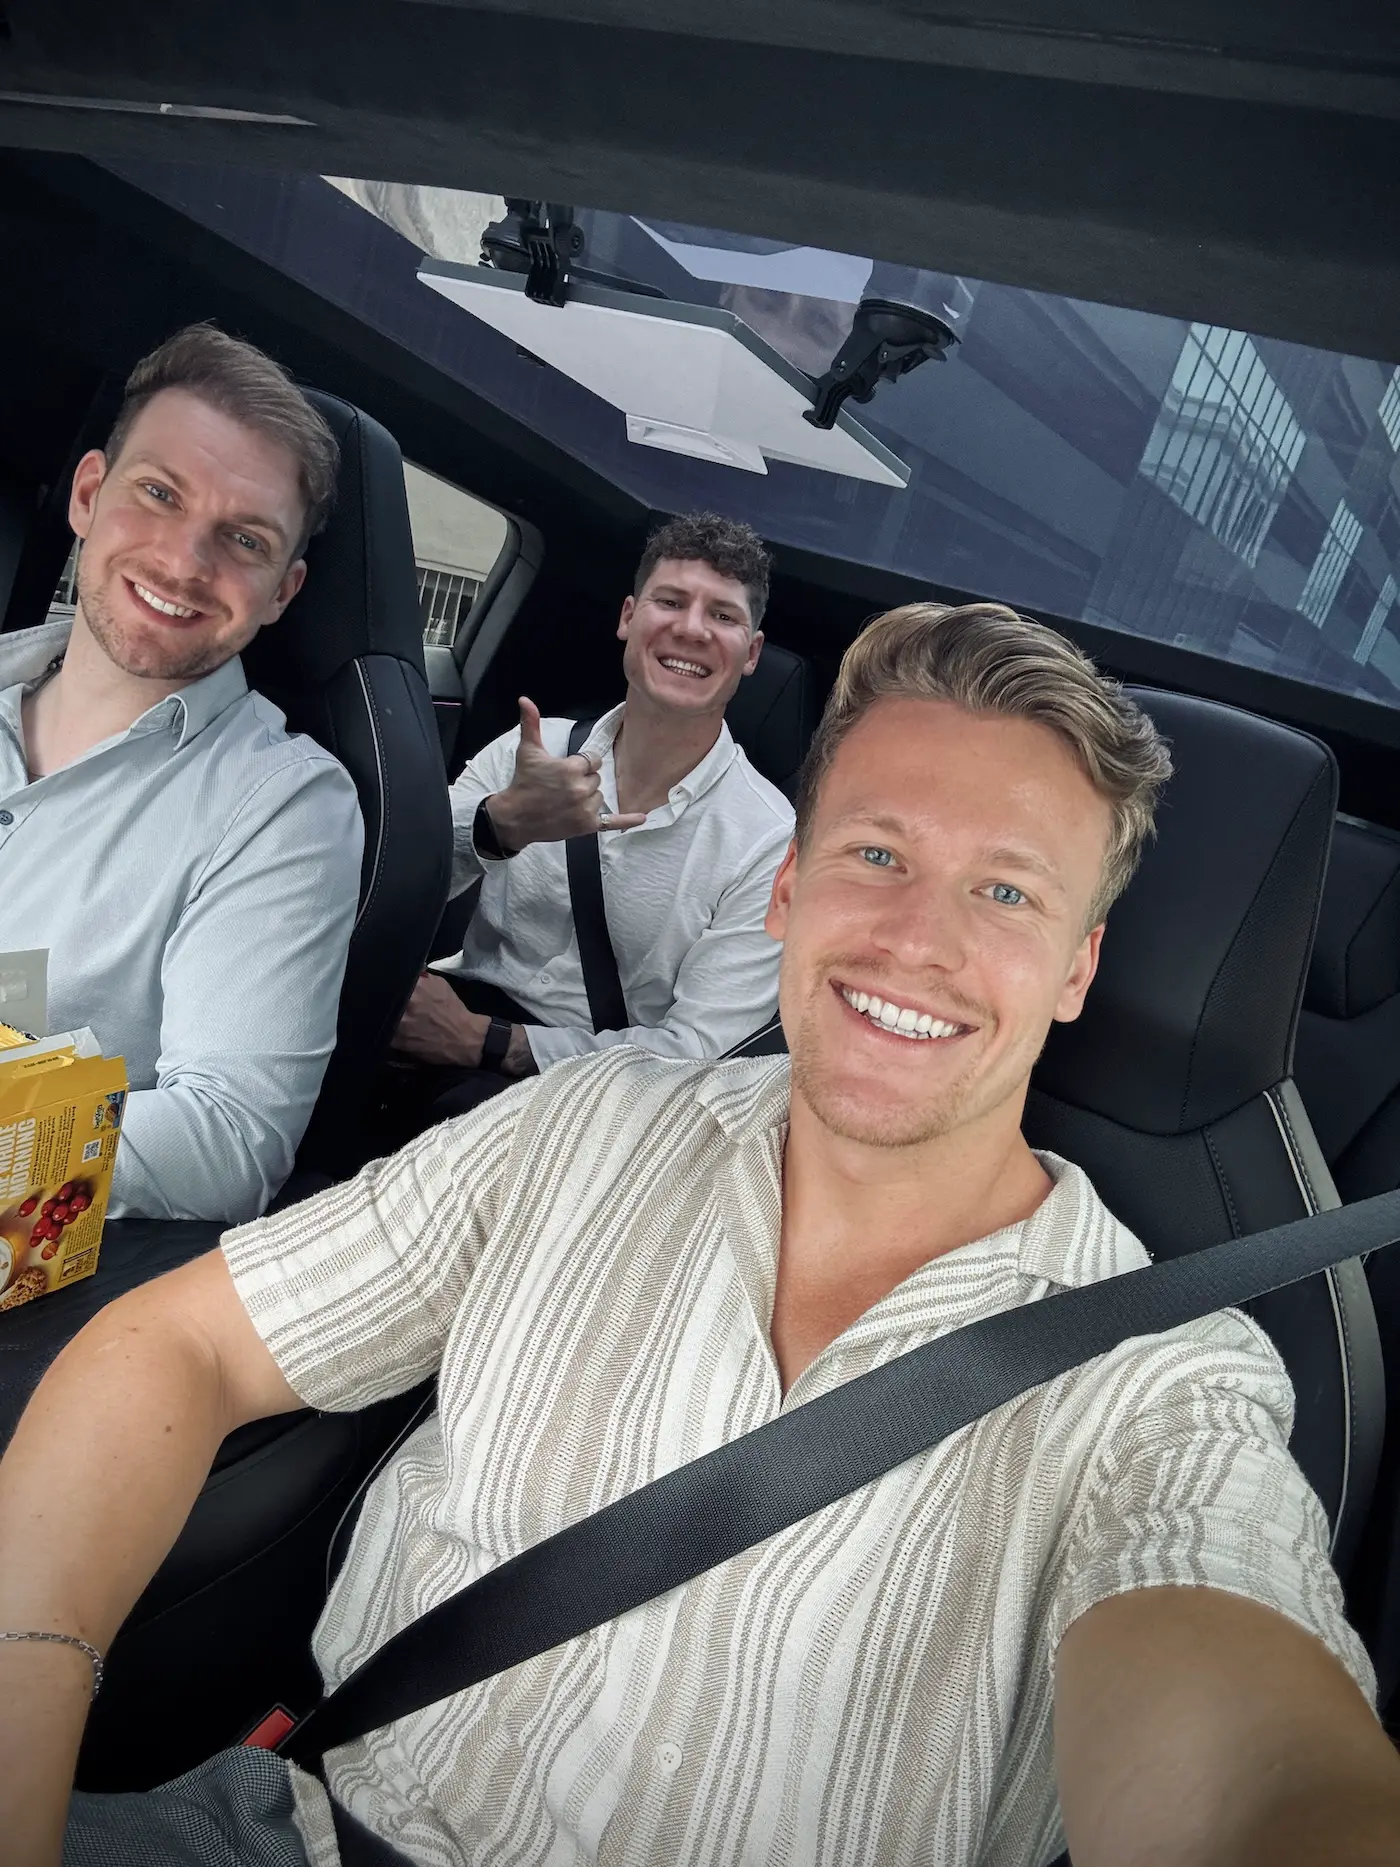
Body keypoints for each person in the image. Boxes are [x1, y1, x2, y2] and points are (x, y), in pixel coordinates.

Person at [5, 600, 1400, 1867]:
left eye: (1006, 891)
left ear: (1077, 966)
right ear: (789, 886)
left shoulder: (1163, 1383)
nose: (915, 938)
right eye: (876, 852)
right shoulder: (584, 1123)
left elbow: (1255, 1773)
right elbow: (179, 1344)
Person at [0, 325, 362, 1222]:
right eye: (159, 493)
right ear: (90, 493)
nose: (183, 562)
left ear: (283, 591)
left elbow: (229, 1138)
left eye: (244, 539)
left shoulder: (284, 805)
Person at [384, 512, 793, 1128]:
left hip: (591, 1101)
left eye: (723, 615)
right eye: (670, 601)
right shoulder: (532, 750)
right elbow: (386, 888)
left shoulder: (768, 841)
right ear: (628, 617)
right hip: (447, 1013)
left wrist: (486, 1042)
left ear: (751, 652)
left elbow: (697, 1059)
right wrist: (500, 825)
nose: (691, 628)